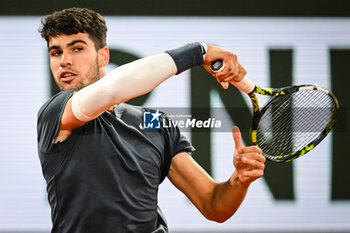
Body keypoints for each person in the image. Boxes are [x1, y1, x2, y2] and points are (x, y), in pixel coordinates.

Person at [37, 7, 265, 233]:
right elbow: (111, 90)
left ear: (103, 55)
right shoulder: (54, 113)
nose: (64, 61)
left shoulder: (154, 121)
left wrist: (239, 180)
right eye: (55, 53)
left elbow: (213, 205)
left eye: (77, 48)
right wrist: (198, 52)